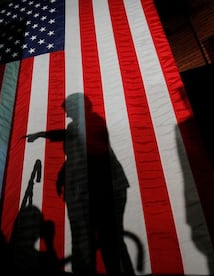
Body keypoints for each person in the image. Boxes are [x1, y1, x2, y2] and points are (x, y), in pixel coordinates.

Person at [25, 93, 134, 275]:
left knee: (109, 240)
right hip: (90, 189)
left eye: (68, 110)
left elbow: (86, 151)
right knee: (89, 239)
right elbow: (73, 149)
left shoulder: (92, 122)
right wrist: (41, 135)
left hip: (106, 188)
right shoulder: (76, 126)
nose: (67, 114)